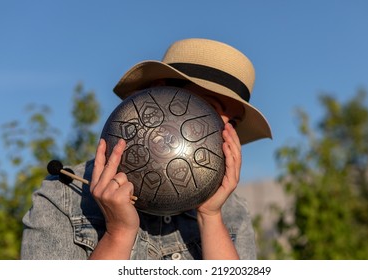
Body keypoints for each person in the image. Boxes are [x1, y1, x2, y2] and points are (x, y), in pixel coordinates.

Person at [21, 38, 272, 260]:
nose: (223, 132)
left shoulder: (233, 212)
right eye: (210, 109)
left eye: (233, 122)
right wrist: (118, 233)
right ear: (157, 96)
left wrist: (211, 217)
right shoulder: (64, 198)